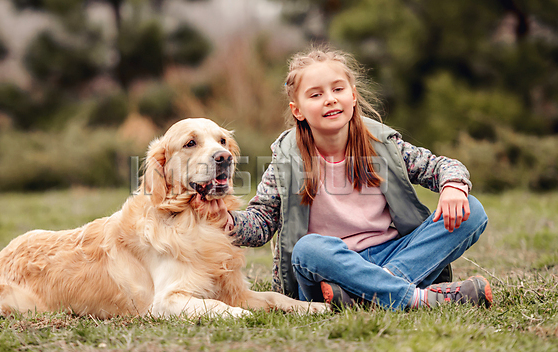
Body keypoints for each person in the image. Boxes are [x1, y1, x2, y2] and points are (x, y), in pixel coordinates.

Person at [204, 46, 492, 311]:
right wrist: (229, 221)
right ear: (298, 111)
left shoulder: (383, 144)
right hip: (329, 267)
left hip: (392, 253)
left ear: (352, 95)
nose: (329, 99)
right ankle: (416, 297)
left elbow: (441, 166)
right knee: (308, 248)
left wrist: (452, 186)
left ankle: (366, 293)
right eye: (315, 95)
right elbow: (262, 221)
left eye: (337, 89)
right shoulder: (286, 161)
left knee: (473, 211)